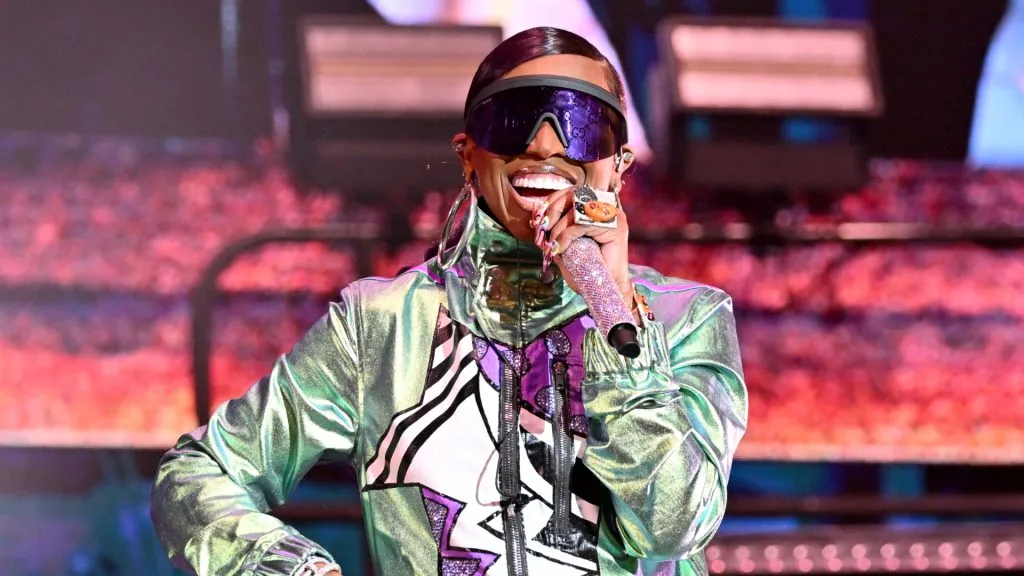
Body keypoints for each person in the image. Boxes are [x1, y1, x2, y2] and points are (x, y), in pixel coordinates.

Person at [151, 26, 748, 576]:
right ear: (468, 154)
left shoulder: (686, 319)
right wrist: (290, 568)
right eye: (514, 120)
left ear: (617, 168)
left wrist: (614, 309)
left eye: (581, 121)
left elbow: (675, 524)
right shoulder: (381, 325)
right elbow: (199, 470)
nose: (545, 145)